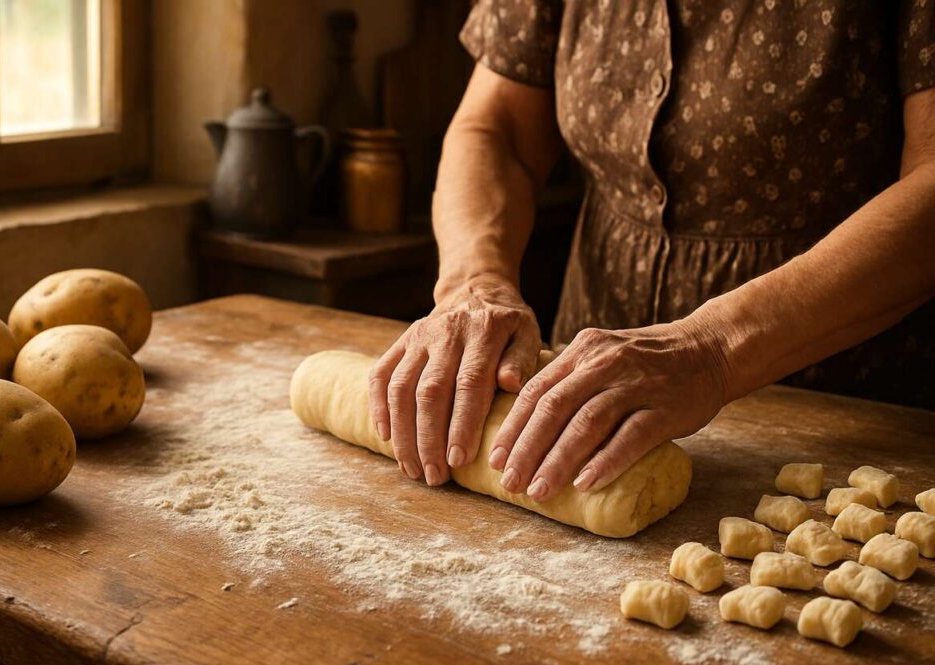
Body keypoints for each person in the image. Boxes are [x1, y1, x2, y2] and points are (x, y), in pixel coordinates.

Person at [367, 2, 935, 503]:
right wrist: (474, 283)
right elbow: (498, 129)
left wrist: (711, 349)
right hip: (579, 384)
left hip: (842, 406)